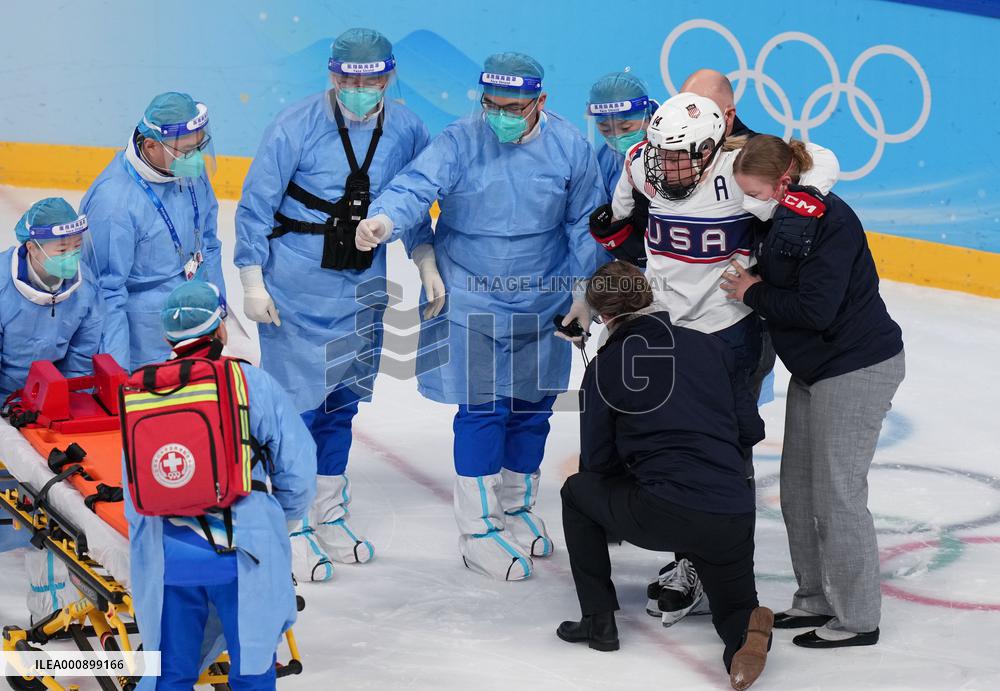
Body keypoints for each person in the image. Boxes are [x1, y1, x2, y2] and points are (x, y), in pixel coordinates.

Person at [355, 51, 605, 581]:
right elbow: (414, 188)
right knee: (484, 410)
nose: (501, 116)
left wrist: (584, 293)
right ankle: (478, 529)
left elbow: (586, 223)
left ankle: (515, 506)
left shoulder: (570, 148)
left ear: (540, 102)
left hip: (545, 293)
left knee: (533, 408)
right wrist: (384, 220)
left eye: (514, 107)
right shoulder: (459, 140)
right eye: (492, 105)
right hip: (471, 292)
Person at [604, 92, 840, 626]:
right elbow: (618, 217)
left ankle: (725, 568)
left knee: (727, 451)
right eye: (664, 153)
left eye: (684, 155)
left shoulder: (738, 169)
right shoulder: (642, 162)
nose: (671, 165)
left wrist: (805, 194)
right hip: (665, 330)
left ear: (712, 148)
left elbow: (819, 160)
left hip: (729, 333)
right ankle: (688, 559)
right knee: (669, 447)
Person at [235, 28, 432, 578]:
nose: (359, 88)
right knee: (296, 408)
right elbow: (255, 206)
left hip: (365, 282)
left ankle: (328, 510)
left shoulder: (409, 127)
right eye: (348, 78)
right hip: (295, 283)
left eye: (370, 79)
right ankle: (290, 520)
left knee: (342, 403)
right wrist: (252, 279)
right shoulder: (294, 126)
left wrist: (424, 258)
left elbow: (419, 197)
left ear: (389, 78)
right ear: (331, 75)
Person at [721, 134, 905, 649]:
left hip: (856, 366)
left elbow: (815, 309)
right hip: (815, 368)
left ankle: (857, 619)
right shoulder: (783, 212)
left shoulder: (829, 220)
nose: (748, 204)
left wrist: (752, 291)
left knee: (838, 496)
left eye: (753, 193)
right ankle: (815, 599)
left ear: (783, 182)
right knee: (800, 492)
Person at [558, 261, 772, 691]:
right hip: (731, 510)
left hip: (663, 511)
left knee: (577, 492)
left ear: (603, 316)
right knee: (734, 608)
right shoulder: (712, 347)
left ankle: (598, 621)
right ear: (649, 296)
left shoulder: (605, 367)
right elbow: (753, 430)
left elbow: (597, 464)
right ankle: (741, 645)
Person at [125, 280, 316, 689]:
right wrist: (276, 523)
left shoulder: (142, 391)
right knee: (251, 671)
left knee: (171, 673)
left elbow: (135, 491)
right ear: (221, 329)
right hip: (242, 558)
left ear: (166, 336)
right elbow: (298, 468)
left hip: (169, 559)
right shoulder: (251, 384)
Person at [0, 198, 108, 623]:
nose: (71, 257)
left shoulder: (86, 291)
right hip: (5, 396)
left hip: (41, 404)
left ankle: (48, 599)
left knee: (47, 494)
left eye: (76, 246)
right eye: (61, 249)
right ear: (32, 248)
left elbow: (79, 360)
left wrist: (48, 408)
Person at [81, 92, 225, 372]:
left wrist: (218, 311)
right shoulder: (113, 204)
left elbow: (207, 242)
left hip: (199, 330)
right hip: (147, 347)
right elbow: (106, 293)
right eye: (186, 151)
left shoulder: (187, 168)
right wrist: (118, 374)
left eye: (199, 147)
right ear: (150, 146)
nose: (195, 159)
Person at [586, 71, 654, 197]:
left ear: (646, 114)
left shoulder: (671, 147)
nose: (617, 137)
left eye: (625, 127)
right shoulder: (604, 157)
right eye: (606, 129)